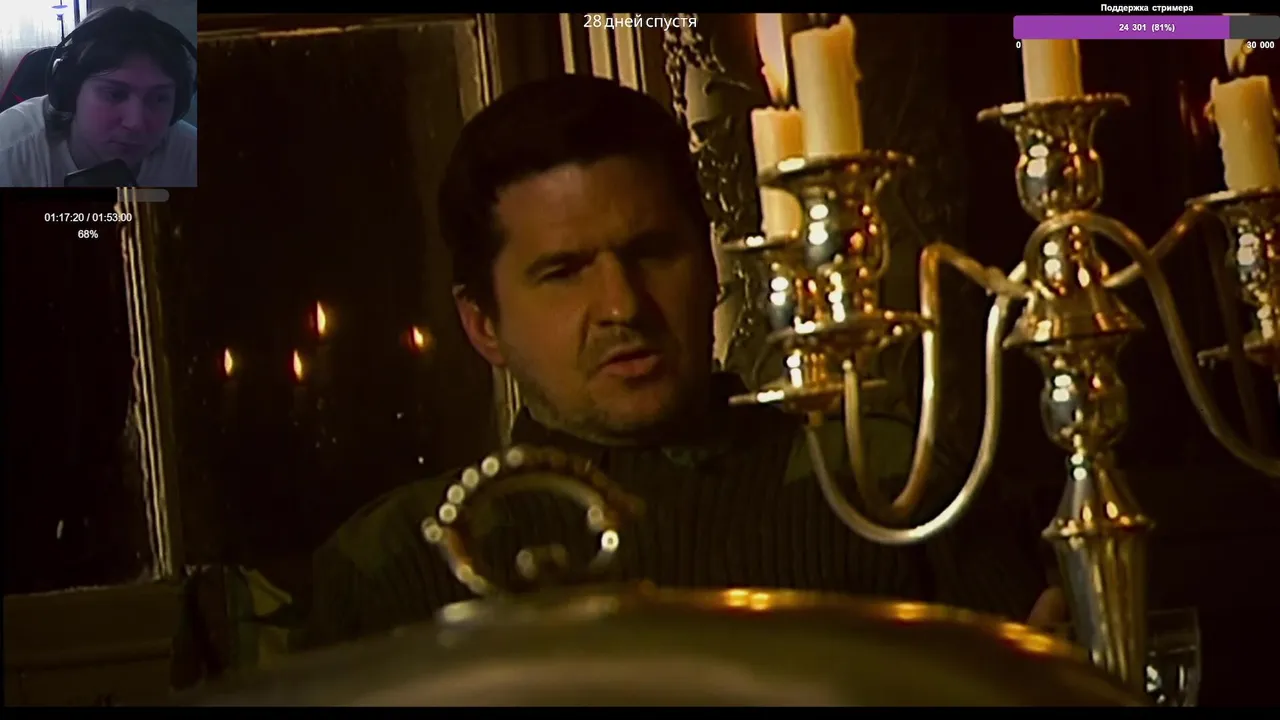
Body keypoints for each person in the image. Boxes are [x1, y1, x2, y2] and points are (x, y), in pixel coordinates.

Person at [299, 74, 1063, 650]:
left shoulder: (883, 487)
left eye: (652, 252)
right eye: (564, 272)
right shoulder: (400, 564)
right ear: (482, 324)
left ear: (710, 266)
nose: (622, 305)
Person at [0, 7, 197, 188]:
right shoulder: (8, 153)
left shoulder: (193, 154)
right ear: (70, 92)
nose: (135, 123)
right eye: (115, 94)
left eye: (159, 98)